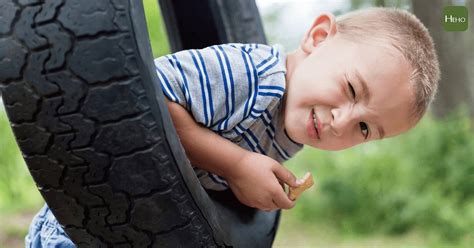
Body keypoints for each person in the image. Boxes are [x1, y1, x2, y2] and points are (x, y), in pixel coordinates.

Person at [26, 7, 439, 247]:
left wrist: (249, 191)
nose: (342, 121)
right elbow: (139, 100)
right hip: (79, 226)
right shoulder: (254, 75)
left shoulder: (292, 123)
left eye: (366, 129)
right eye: (350, 88)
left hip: (129, 226)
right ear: (317, 37)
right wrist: (238, 165)